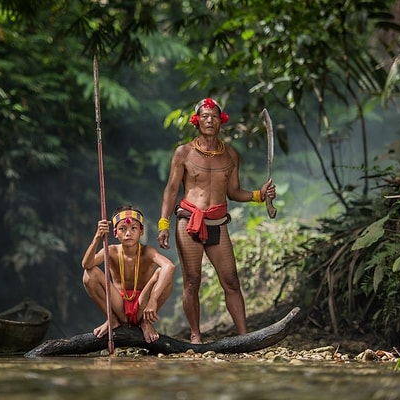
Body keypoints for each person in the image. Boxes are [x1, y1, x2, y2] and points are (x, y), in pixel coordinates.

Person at [157, 97, 276, 344]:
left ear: (221, 122)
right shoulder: (184, 153)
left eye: (214, 116)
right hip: (189, 220)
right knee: (192, 280)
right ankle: (195, 335)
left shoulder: (231, 155)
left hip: (217, 223)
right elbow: (170, 190)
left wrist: (259, 195)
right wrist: (163, 224)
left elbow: (234, 192)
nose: (209, 120)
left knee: (231, 280)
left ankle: (245, 337)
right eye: (204, 116)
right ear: (196, 121)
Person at [82, 205, 176, 343]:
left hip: (142, 306)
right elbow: (86, 264)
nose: (128, 233)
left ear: (141, 231)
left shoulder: (148, 251)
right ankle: (112, 320)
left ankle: (146, 323)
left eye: (133, 228)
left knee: (164, 274)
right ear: (115, 232)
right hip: (118, 305)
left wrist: (153, 300)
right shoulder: (111, 250)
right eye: (122, 229)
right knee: (89, 274)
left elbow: (169, 266)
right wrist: (98, 237)